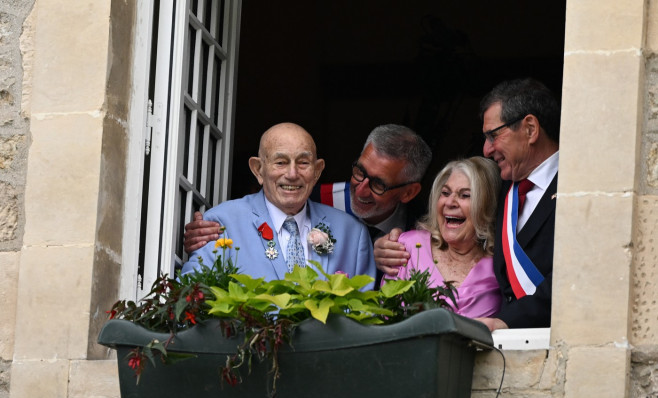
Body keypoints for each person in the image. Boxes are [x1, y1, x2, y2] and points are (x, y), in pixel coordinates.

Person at [375, 78, 559, 330]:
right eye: (446, 193)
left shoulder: (581, 191)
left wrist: (505, 323)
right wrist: (382, 244)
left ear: (530, 129)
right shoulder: (505, 189)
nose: (486, 149)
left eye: (493, 135)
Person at [182, 124, 432, 252]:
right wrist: (207, 233)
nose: (361, 189)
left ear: (408, 192)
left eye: (378, 184)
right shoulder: (313, 198)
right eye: (359, 172)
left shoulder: (423, 227)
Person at [180, 122, 376, 282]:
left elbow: (365, 317)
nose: (292, 174)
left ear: (317, 171)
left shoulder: (352, 233)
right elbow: (194, 297)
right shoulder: (223, 223)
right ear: (258, 170)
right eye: (280, 162)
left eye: (303, 163)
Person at [383, 157, 502, 319]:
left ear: (487, 206)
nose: (450, 202)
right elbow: (383, 317)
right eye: (445, 193)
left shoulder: (501, 265)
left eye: (465, 195)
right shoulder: (407, 247)